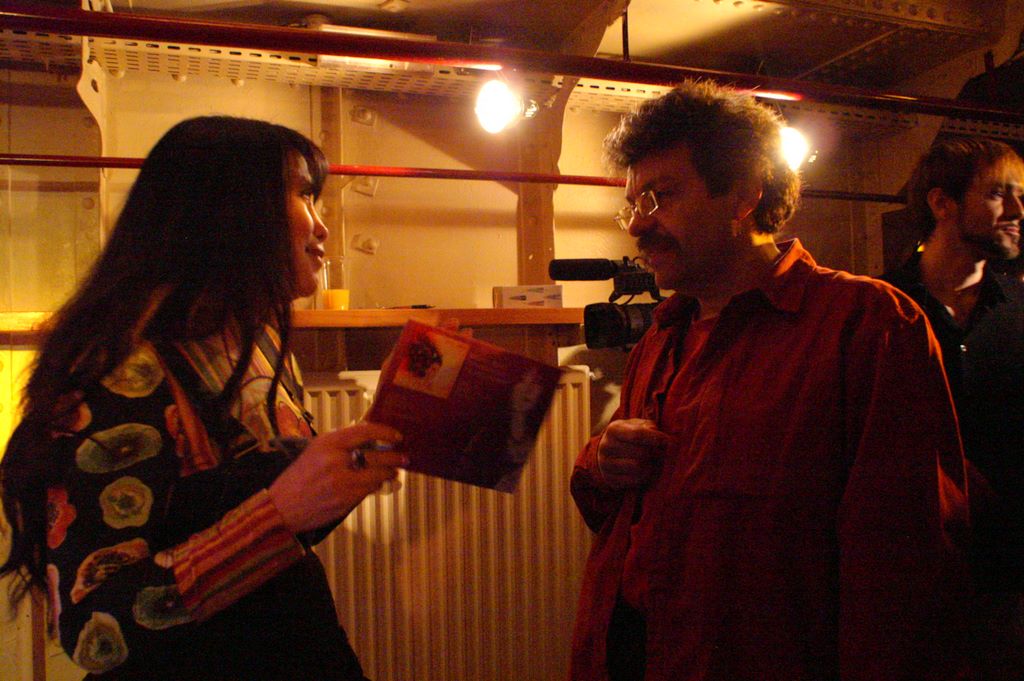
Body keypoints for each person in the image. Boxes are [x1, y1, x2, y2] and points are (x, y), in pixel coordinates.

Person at [568, 79, 971, 681]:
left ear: (743, 195)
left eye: (661, 196)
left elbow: (902, 564)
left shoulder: (866, 323)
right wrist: (603, 461)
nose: (637, 225)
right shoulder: (661, 335)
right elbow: (629, 517)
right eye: (633, 204)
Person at [0, 116, 407, 680]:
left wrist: (363, 452)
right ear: (229, 213)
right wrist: (276, 516)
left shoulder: (259, 342)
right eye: (303, 195)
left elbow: (288, 518)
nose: (321, 227)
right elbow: (93, 633)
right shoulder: (120, 375)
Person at [883, 137, 1024, 681]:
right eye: (998, 194)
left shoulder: (1019, 312)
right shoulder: (881, 310)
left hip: (1009, 581)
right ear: (942, 203)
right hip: (912, 580)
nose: (1017, 210)